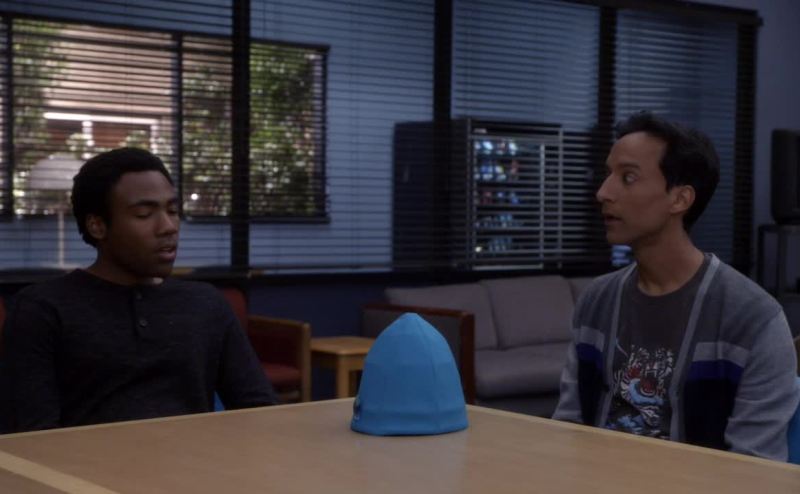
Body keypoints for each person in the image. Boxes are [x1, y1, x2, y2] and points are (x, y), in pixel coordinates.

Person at [553, 112, 799, 460]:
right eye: (608, 175)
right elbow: (568, 428)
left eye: (628, 177)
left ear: (680, 199)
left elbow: (755, 470)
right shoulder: (597, 300)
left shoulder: (754, 319)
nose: (603, 192)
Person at [0, 147, 276, 433]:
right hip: (84, 462)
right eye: (144, 214)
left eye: (173, 211)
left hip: (196, 459)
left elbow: (259, 410)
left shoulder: (206, 304)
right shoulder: (42, 310)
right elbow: (31, 435)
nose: (168, 227)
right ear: (97, 225)